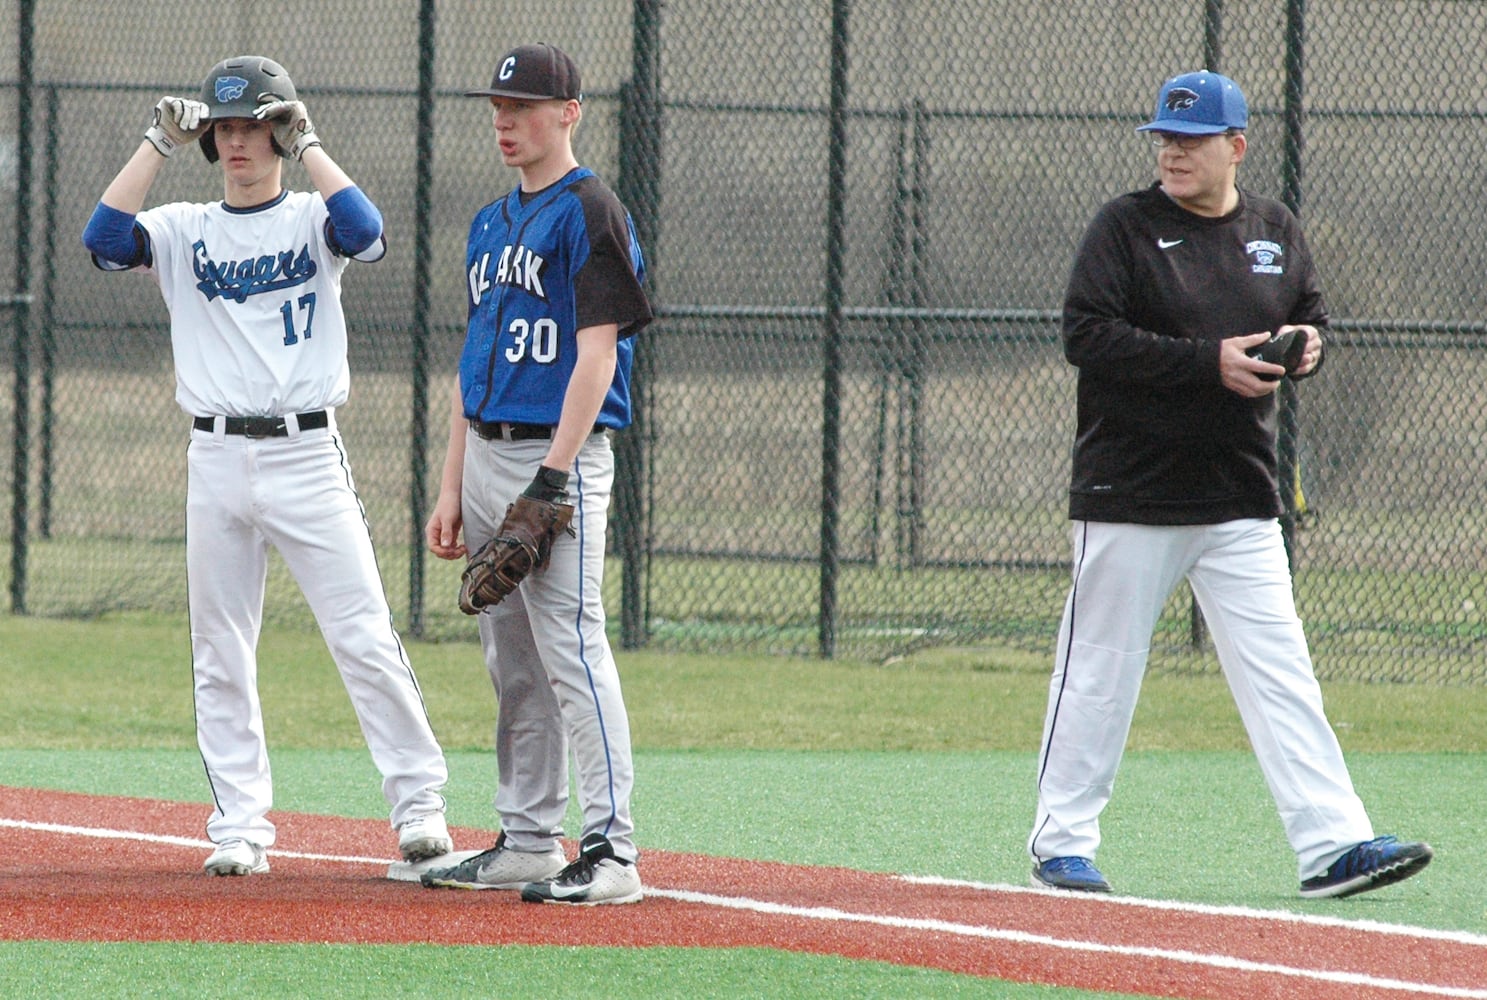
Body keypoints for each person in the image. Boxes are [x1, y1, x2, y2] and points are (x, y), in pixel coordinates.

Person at [1027, 70, 1433, 899]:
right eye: (1164, 139)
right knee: (1098, 673)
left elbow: (1311, 314)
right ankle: (1059, 845)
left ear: (1235, 146)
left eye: (1191, 138)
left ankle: (1330, 844)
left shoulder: (1274, 229)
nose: (1172, 151)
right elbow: (1085, 335)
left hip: (1239, 496)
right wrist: (1204, 363)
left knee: (1280, 670)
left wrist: (1307, 346)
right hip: (1130, 494)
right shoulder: (1125, 227)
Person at [81, 55, 452, 875]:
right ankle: (240, 827)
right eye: (226, 128)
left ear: (279, 132)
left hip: (307, 454)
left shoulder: (316, 217)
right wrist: (157, 141)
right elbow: (103, 241)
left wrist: (309, 137)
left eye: (254, 125)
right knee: (219, 648)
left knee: (361, 635)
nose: (239, 141)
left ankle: (420, 808)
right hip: (213, 456)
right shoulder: (182, 229)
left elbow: (368, 232)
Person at [418, 43, 652, 905]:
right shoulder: (488, 221)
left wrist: (552, 479)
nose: (505, 120)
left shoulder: (589, 210)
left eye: (523, 106)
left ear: (569, 113)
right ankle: (525, 838)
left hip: (555, 458)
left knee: (572, 650)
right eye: (498, 106)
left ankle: (613, 850)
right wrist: (450, 486)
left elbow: (598, 357)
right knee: (510, 657)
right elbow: (470, 360)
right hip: (485, 450)